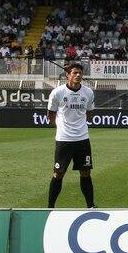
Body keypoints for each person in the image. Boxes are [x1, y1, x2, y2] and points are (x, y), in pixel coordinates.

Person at [47, 63, 96, 208]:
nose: (78, 75)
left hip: (82, 139)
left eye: (80, 73)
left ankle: (91, 206)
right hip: (64, 140)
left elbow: (89, 113)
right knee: (58, 173)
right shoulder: (57, 92)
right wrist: (61, 128)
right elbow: (51, 114)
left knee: (85, 173)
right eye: (75, 73)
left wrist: (79, 126)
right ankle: (49, 207)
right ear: (67, 75)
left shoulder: (88, 92)